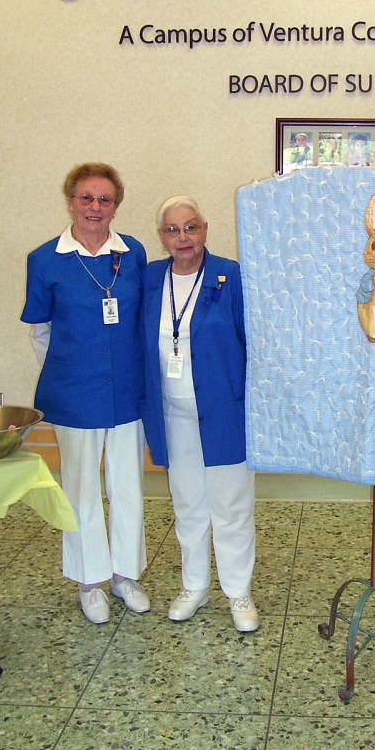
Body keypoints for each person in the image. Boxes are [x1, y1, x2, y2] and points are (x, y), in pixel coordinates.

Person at [21, 163, 149, 624]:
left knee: (128, 484)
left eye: (105, 199)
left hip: (128, 390)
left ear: (116, 205)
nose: (95, 208)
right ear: (70, 200)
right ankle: (89, 580)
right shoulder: (45, 259)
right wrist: (71, 369)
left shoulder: (131, 252)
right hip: (75, 391)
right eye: (86, 198)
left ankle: (124, 574)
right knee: (80, 487)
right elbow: (40, 331)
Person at [141, 196, 258, 631]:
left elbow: (255, 345)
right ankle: (194, 585)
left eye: (191, 227)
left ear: (205, 229)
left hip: (225, 411)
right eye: (173, 230)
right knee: (188, 503)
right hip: (172, 414)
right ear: (162, 237)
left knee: (231, 505)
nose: (183, 238)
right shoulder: (152, 278)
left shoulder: (232, 277)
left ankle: (238, 592)